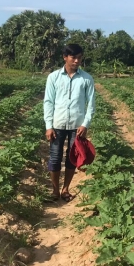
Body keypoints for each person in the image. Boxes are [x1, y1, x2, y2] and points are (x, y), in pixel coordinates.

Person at [44, 43, 96, 202]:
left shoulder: (86, 78)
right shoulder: (53, 77)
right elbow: (48, 102)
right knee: (55, 157)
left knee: (72, 158)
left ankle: (65, 188)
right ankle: (55, 190)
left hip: (77, 126)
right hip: (57, 124)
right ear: (65, 57)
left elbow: (91, 105)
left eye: (79, 58)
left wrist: (85, 124)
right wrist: (48, 126)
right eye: (73, 57)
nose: (76, 61)